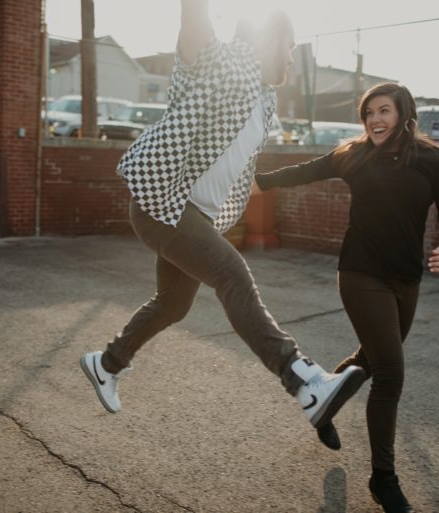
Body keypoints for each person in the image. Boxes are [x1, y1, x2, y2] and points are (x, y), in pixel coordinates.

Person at [80, 0, 365, 438]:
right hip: (164, 204)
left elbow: (236, 163)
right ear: (268, 39)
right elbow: (193, 19)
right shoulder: (219, 61)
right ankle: (304, 381)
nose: (292, 56)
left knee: (174, 303)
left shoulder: (265, 99)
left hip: (198, 216)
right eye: (289, 45)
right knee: (233, 275)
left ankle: (107, 363)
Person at [255, 82, 439, 513]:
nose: (374, 120)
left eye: (383, 111)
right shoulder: (354, 155)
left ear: (403, 114)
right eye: (368, 113)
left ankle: (322, 402)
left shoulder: (432, 159)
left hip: (407, 279)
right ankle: (383, 480)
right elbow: (304, 171)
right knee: (390, 372)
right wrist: (256, 182)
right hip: (360, 274)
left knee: (370, 359)